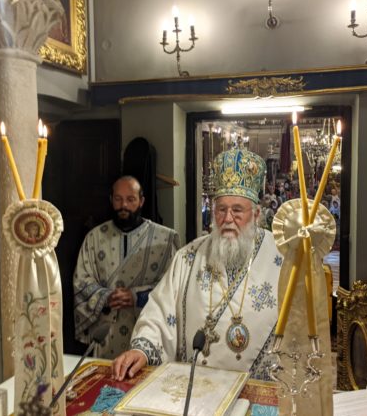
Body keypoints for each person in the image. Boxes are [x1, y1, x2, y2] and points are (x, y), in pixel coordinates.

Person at [112, 148, 283, 381]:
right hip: (195, 386)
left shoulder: (281, 257)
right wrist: (142, 349)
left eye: (237, 210)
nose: (228, 219)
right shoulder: (189, 257)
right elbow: (160, 310)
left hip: (256, 389)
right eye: (221, 209)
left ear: (256, 214)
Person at [73, 176, 180, 358]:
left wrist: (137, 297)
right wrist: (105, 297)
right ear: (111, 200)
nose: (124, 205)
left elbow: (174, 287)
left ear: (141, 201)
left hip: (148, 333)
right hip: (106, 336)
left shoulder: (166, 239)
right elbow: (81, 282)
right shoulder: (94, 237)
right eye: (118, 199)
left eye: (130, 199)